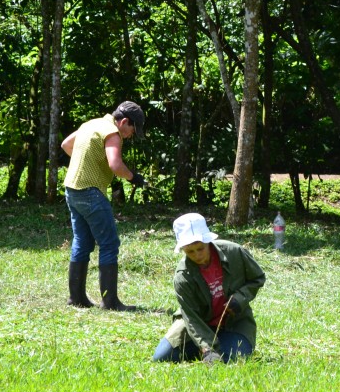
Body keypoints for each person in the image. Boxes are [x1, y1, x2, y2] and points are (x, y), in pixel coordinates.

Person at [60, 101, 147, 311]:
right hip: (91, 192)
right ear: (124, 122)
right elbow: (115, 164)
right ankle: (110, 302)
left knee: (82, 241)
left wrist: (89, 160)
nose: (131, 135)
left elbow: (66, 145)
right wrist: (133, 177)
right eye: (132, 130)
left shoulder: (91, 124)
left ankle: (76, 298)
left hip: (72, 190)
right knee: (109, 244)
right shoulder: (112, 132)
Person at [153, 213, 266, 364]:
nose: (197, 255)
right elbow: (191, 318)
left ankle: (222, 345)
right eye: (190, 252)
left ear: (208, 241)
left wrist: (240, 298)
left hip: (234, 323)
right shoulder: (182, 276)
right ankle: (206, 346)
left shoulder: (234, 252)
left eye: (200, 248)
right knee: (162, 357)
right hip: (198, 323)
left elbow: (258, 278)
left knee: (234, 358)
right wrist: (207, 349)